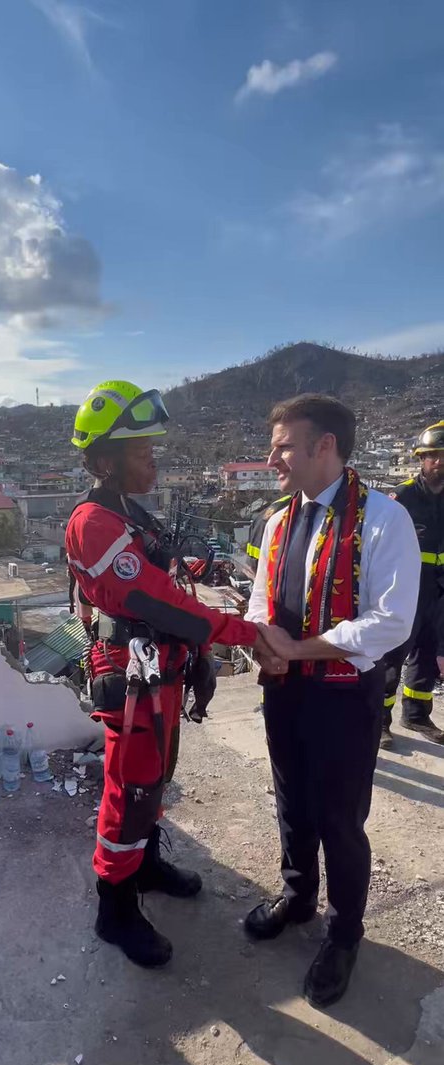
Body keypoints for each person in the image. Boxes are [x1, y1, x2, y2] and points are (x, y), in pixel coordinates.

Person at [65, 380, 283, 968]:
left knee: (154, 780)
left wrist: (198, 613)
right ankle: (114, 907)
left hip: (159, 671)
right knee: (129, 791)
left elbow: (164, 577)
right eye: (142, 451)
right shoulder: (94, 522)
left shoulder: (126, 515)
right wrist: (246, 633)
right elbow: (160, 601)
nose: (153, 459)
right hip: (131, 680)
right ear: (107, 462)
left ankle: (147, 864)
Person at [245, 394, 420, 1007]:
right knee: (292, 798)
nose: (273, 459)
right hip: (285, 689)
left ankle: (345, 931)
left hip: (345, 699)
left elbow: (391, 621)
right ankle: (297, 896)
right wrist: (265, 641)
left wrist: (299, 648)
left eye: (284, 446)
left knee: (339, 819)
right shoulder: (278, 520)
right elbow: (262, 595)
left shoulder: (383, 519)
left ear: (325, 446)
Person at [381, 421, 444, 748]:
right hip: (408, 585)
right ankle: (380, 721)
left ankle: (417, 714)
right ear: (422, 459)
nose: (439, 462)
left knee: (428, 649)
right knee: (393, 652)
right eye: (433, 456)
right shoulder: (403, 496)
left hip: (439, 589)